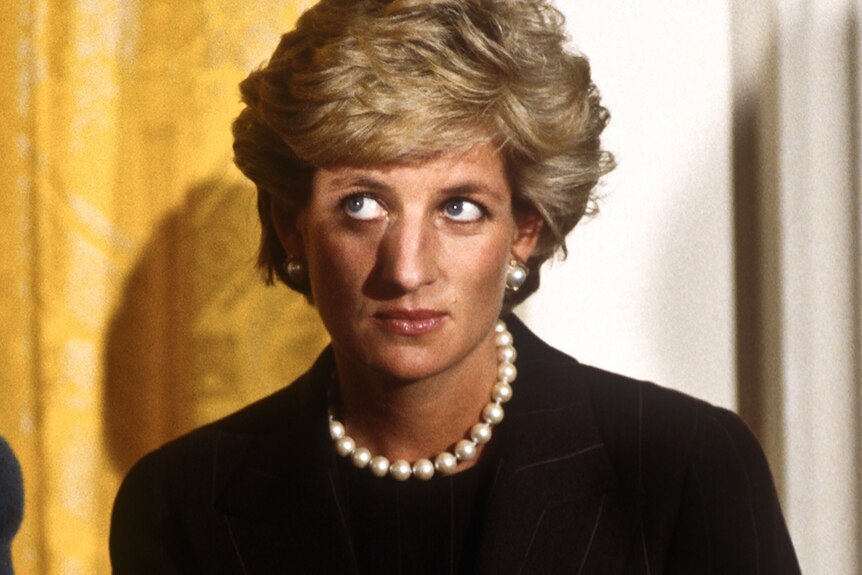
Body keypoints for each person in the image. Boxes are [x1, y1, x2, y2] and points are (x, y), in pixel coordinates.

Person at [110, 0, 801, 572]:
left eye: (459, 207)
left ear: (524, 230)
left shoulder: (685, 471)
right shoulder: (179, 503)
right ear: (292, 227)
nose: (407, 268)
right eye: (362, 204)